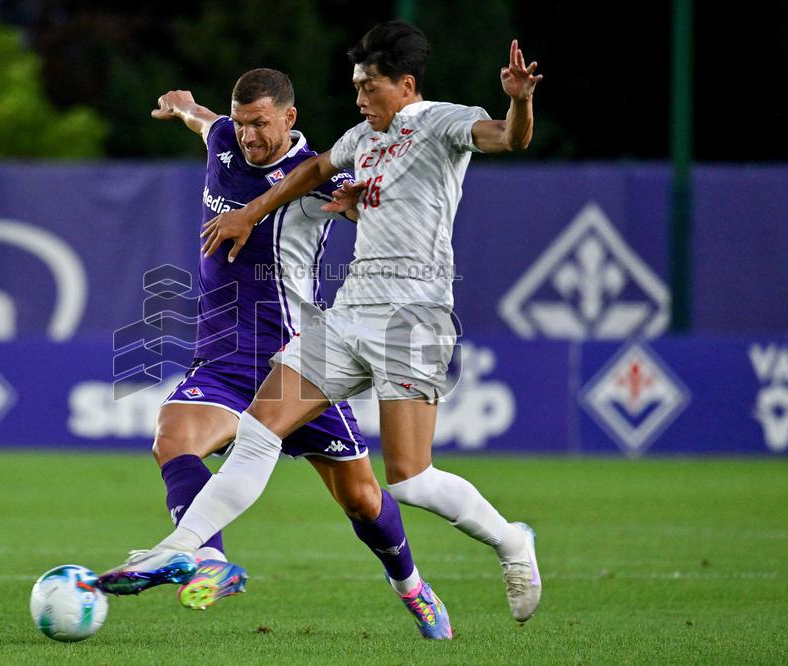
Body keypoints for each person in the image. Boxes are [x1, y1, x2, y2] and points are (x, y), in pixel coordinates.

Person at [116, 22, 546, 628]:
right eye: (355, 87)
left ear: (405, 85)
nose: (359, 98)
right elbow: (317, 170)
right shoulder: (359, 137)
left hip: (412, 318)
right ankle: (187, 551)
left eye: (368, 87)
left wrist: (519, 99)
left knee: (407, 482)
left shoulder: (444, 122)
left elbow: (508, 138)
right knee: (260, 430)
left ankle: (509, 542)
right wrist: (245, 193)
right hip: (348, 312)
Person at [98, 68, 453, 639]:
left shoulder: (317, 176)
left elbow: (371, 209)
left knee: (363, 500)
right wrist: (183, 103)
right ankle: (208, 561)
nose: (248, 136)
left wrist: (364, 205)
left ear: (289, 118)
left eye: (260, 124)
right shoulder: (224, 142)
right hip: (220, 358)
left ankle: (412, 586)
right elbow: (204, 121)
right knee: (173, 437)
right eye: (241, 124)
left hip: (293, 366)